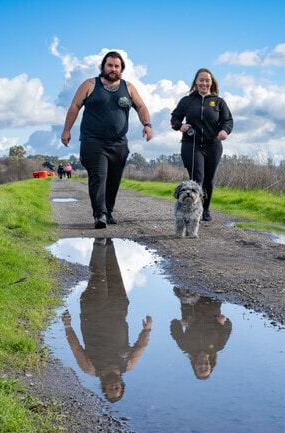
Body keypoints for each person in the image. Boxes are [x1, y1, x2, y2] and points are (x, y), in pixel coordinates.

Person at [61, 51, 153, 229]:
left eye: (116, 66)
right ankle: (99, 214)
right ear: (103, 66)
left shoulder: (128, 87)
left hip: (119, 143)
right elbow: (75, 107)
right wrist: (66, 130)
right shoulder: (89, 84)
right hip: (93, 141)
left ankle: (108, 212)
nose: (113, 69)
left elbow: (141, 106)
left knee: (113, 180)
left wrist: (147, 124)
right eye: (110, 65)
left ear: (121, 69)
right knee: (99, 176)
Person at [62, 238, 153, 402]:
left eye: (110, 390)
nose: (113, 387)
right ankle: (108, 242)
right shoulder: (128, 364)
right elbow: (141, 346)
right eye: (117, 389)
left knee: (99, 278)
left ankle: (99, 244)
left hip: (93, 310)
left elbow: (75, 347)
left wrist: (68, 325)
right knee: (114, 274)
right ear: (121, 385)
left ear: (103, 388)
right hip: (118, 309)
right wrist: (146, 330)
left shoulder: (90, 368)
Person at [170, 68, 233, 221]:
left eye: (207, 80)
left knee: (209, 179)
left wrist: (225, 131)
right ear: (196, 82)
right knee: (197, 177)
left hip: (213, 145)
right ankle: (191, 210)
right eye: (201, 80)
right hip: (192, 145)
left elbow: (228, 121)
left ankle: (205, 210)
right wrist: (180, 126)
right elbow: (175, 118)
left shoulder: (219, 102)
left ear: (212, 83)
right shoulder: (187, 100)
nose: (204, 83)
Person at [170, 287, 232, 380]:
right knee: (214, 285)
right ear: (210, 366)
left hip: (190, 305)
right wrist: (223, 322)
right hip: (212, 304)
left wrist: (180, 323)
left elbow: (173, 327)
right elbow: (228, 328)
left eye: (200, 369)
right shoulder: (218, 346)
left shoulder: (186, 347)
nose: (203, 366)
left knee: (187, 286)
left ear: (195, 366)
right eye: (206, 369)